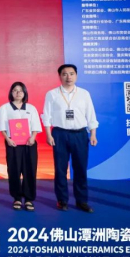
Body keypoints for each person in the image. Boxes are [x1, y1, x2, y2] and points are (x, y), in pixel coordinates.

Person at [42, 64, 98, 213]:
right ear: (60, 76)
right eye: (65, 74)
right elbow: (46, 115)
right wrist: (48, 134)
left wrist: (93, 134)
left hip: (80, 134)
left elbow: (91, 115)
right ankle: (62, 200)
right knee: (60, 169)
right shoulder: (52, 94)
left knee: (80, 168)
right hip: (59, 134)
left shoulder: (84, 94)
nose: (68, 77)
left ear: (76, 75)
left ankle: (82, 201)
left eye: (72, 74)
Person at [0, 82, 42, 211]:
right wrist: (8, 139)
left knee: (30, 170)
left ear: (25, 93)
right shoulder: (5, 108)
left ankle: (28, 199)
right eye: (15, 90)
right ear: (11, 93)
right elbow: (2, 127)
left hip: (29, 143)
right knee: (14, 170)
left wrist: (33, 138)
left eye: (21, 90)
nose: (18, 93)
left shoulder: (31, 108)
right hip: (13, 144)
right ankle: (16, 198)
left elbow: (35, 125)